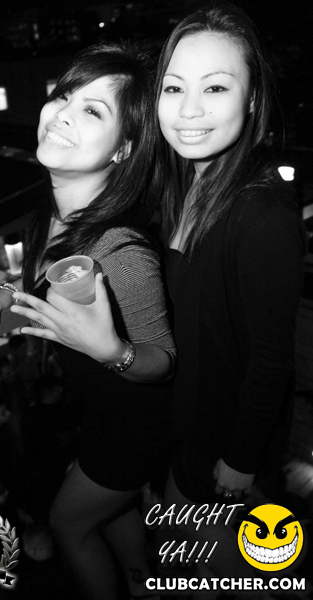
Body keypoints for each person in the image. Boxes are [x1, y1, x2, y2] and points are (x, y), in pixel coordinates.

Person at [0, 42, 175, 600]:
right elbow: (41, 280)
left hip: (136, 426)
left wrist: (113, 352)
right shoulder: (51, 214)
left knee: (68, 525)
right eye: (63, 95)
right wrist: (4, 294)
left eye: (92, 110)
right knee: (111, 515)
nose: (60, 112)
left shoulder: (121, 252)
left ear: (124, 148)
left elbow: (164, 362)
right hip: (99, 412)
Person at [154, 1, 305, 583]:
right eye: (174, 87)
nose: (188, 110)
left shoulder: (262, 216)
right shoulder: (184, 183)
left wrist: (240, 459)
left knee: (205, 565)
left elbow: (272, 359)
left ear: (254, 100)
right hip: (188, 426)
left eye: (215, 87)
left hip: (222, 443)